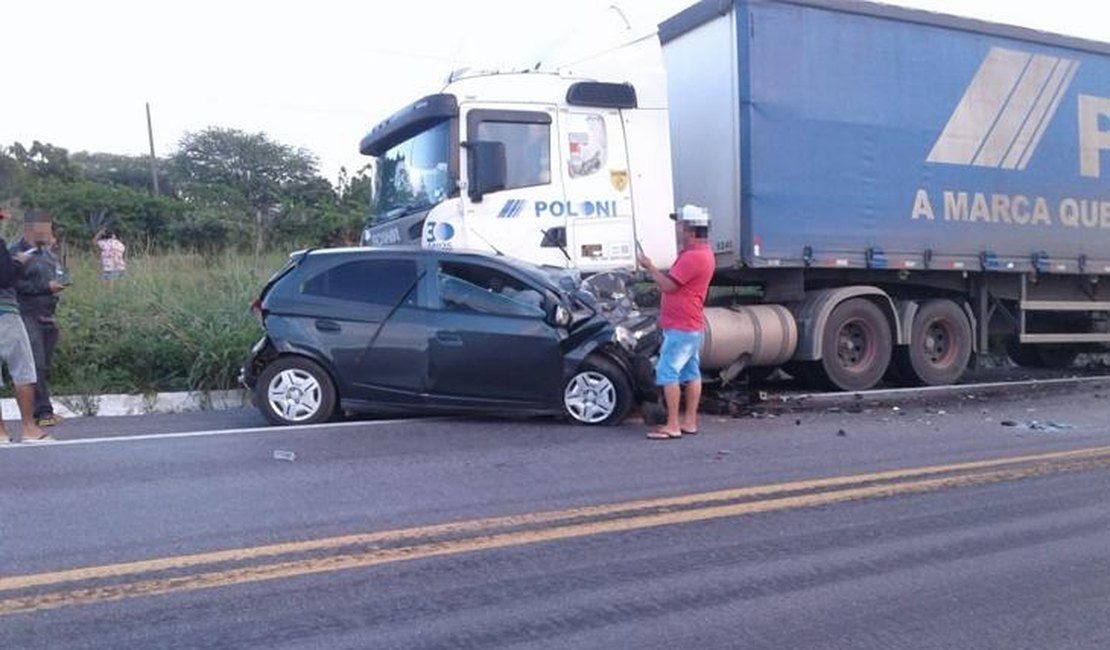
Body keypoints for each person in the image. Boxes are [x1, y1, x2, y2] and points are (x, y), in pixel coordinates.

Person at [636, 204, 715, 440]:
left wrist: (649, 266)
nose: (678, 229)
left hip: (681, 325)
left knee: (667, 372)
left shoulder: (693, 257)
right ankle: (689, 421)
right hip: (690, 323)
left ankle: (672, 425)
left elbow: (669, 285)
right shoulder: (704, 254)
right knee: (691, 373)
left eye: (681, 225)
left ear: (690, 230)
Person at [11, 211, 65, 428]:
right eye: (47, 228)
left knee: (44, 364)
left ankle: (40, 410)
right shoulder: (14, 253)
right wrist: (45, 287)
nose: (51, 233)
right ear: (32, 228)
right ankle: (43, 412)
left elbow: (56, 274)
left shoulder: (47, 253)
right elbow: (10, 283)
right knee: (36, 363)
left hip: (48, 313)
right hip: (26, 313)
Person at [0, 209, 50, 442]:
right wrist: (17, 263)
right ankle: (29, 428)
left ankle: (0, 433)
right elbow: (5, 278)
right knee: (23, 370)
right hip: (5, 312)